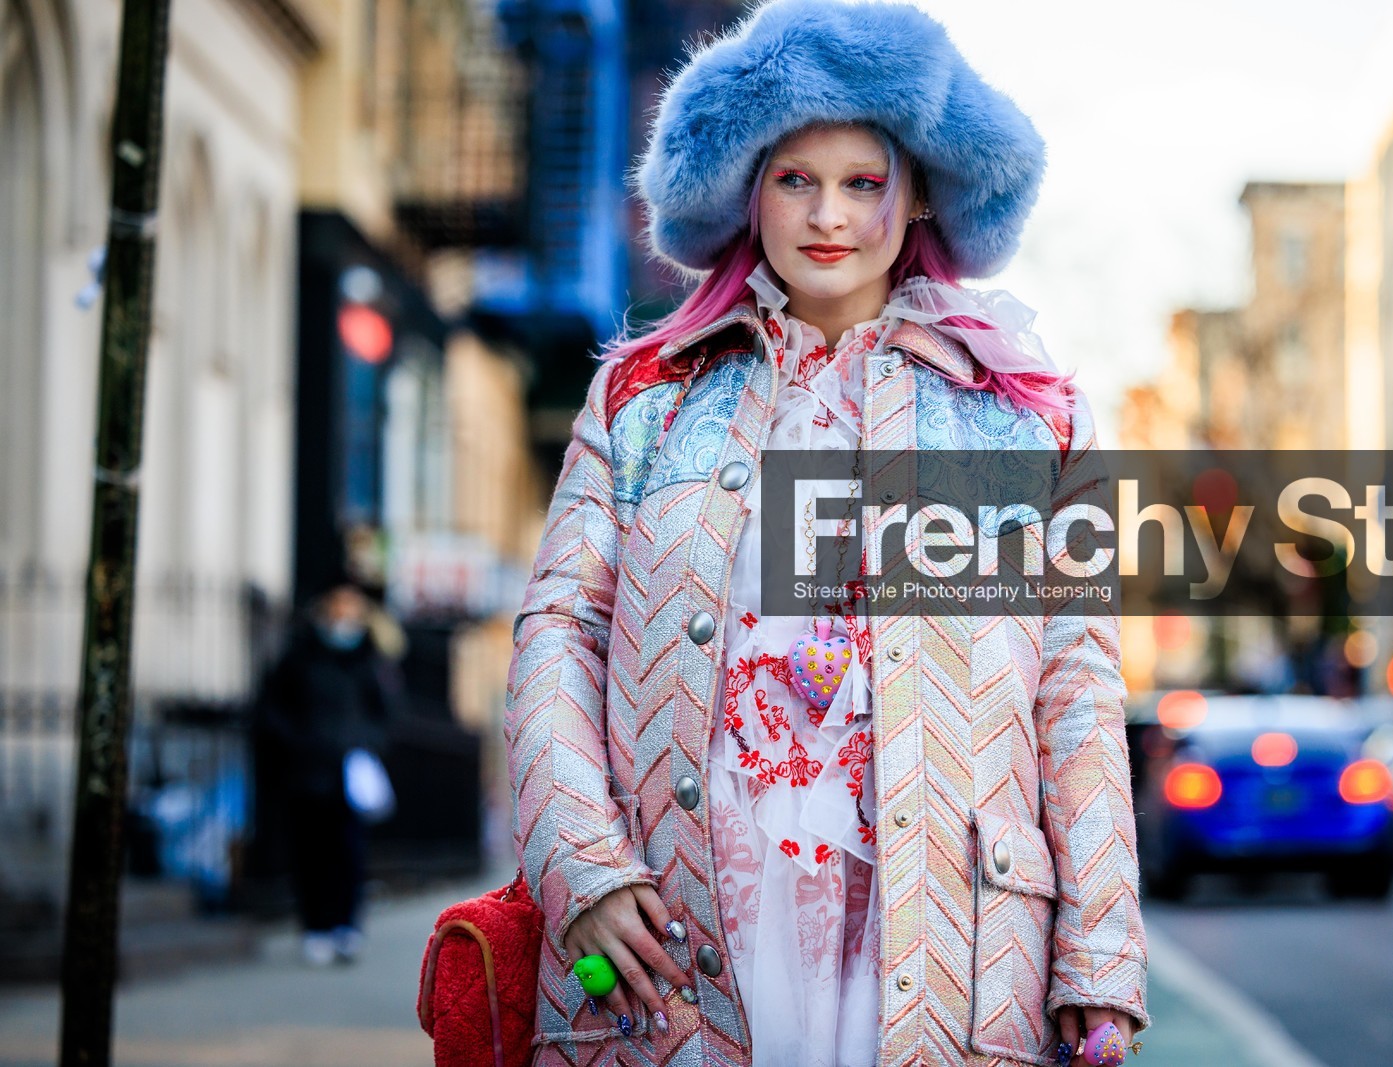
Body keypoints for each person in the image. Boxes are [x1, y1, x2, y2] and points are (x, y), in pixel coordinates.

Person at [506, 1, 1149, 1063]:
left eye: (863, 181)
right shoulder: (642, 399)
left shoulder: (1032, 415)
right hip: (681, 916)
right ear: (745, 188)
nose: (829, 216)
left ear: (922, 194)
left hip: (948, 930)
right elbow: (558, 634)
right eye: (795, 178)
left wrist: (1098, 953)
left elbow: (1074, 692)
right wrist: (581, 859)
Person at [257, 579, 401, 966]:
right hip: (307, 772)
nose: (343, 615)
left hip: (350, 775)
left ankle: (345, 926)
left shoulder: (371, 660)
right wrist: (298, 741)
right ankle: (315, 926)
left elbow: (386, 715)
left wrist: (364, 744)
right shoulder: (299, 657)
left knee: (349, 853)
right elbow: (273, 707)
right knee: (309, 852)